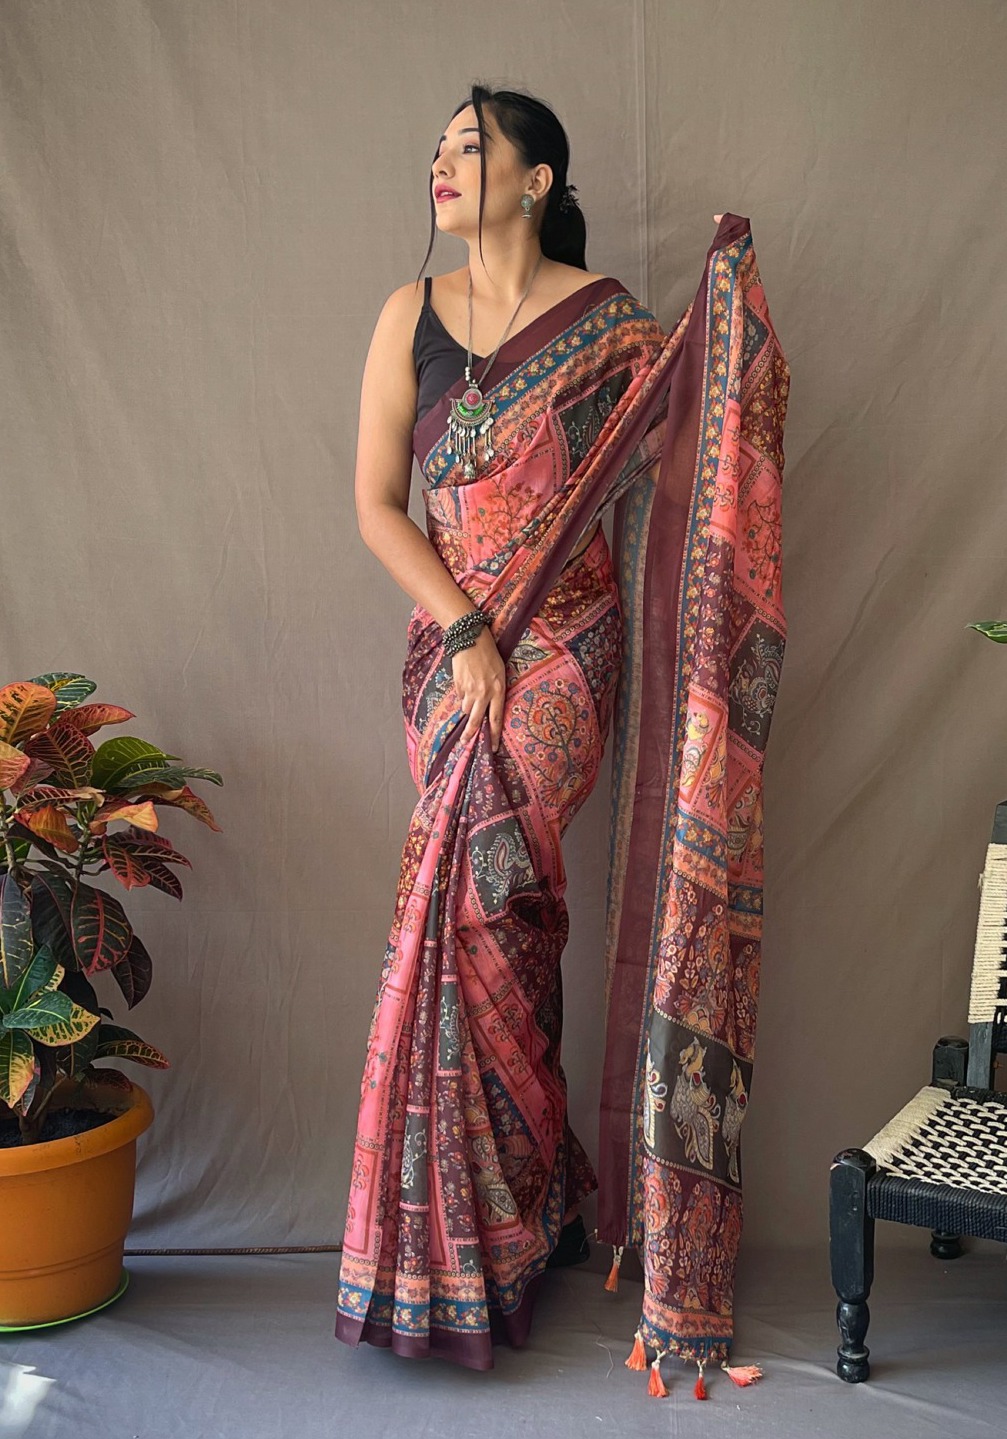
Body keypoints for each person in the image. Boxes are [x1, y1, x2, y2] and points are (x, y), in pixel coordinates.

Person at [334, 82, 789, 1398]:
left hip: (568, 647)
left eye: (471, 147)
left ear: (537, 180)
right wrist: (467, 629)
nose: (443, 165)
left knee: (491, 899)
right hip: (451, 652)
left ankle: (498, 1228)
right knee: (496, 914)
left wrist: (722, 320)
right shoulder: (407, 317)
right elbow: (376, 507)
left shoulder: (611, 329)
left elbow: (689, 462)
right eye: (437, 148)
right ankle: (518, 1224)